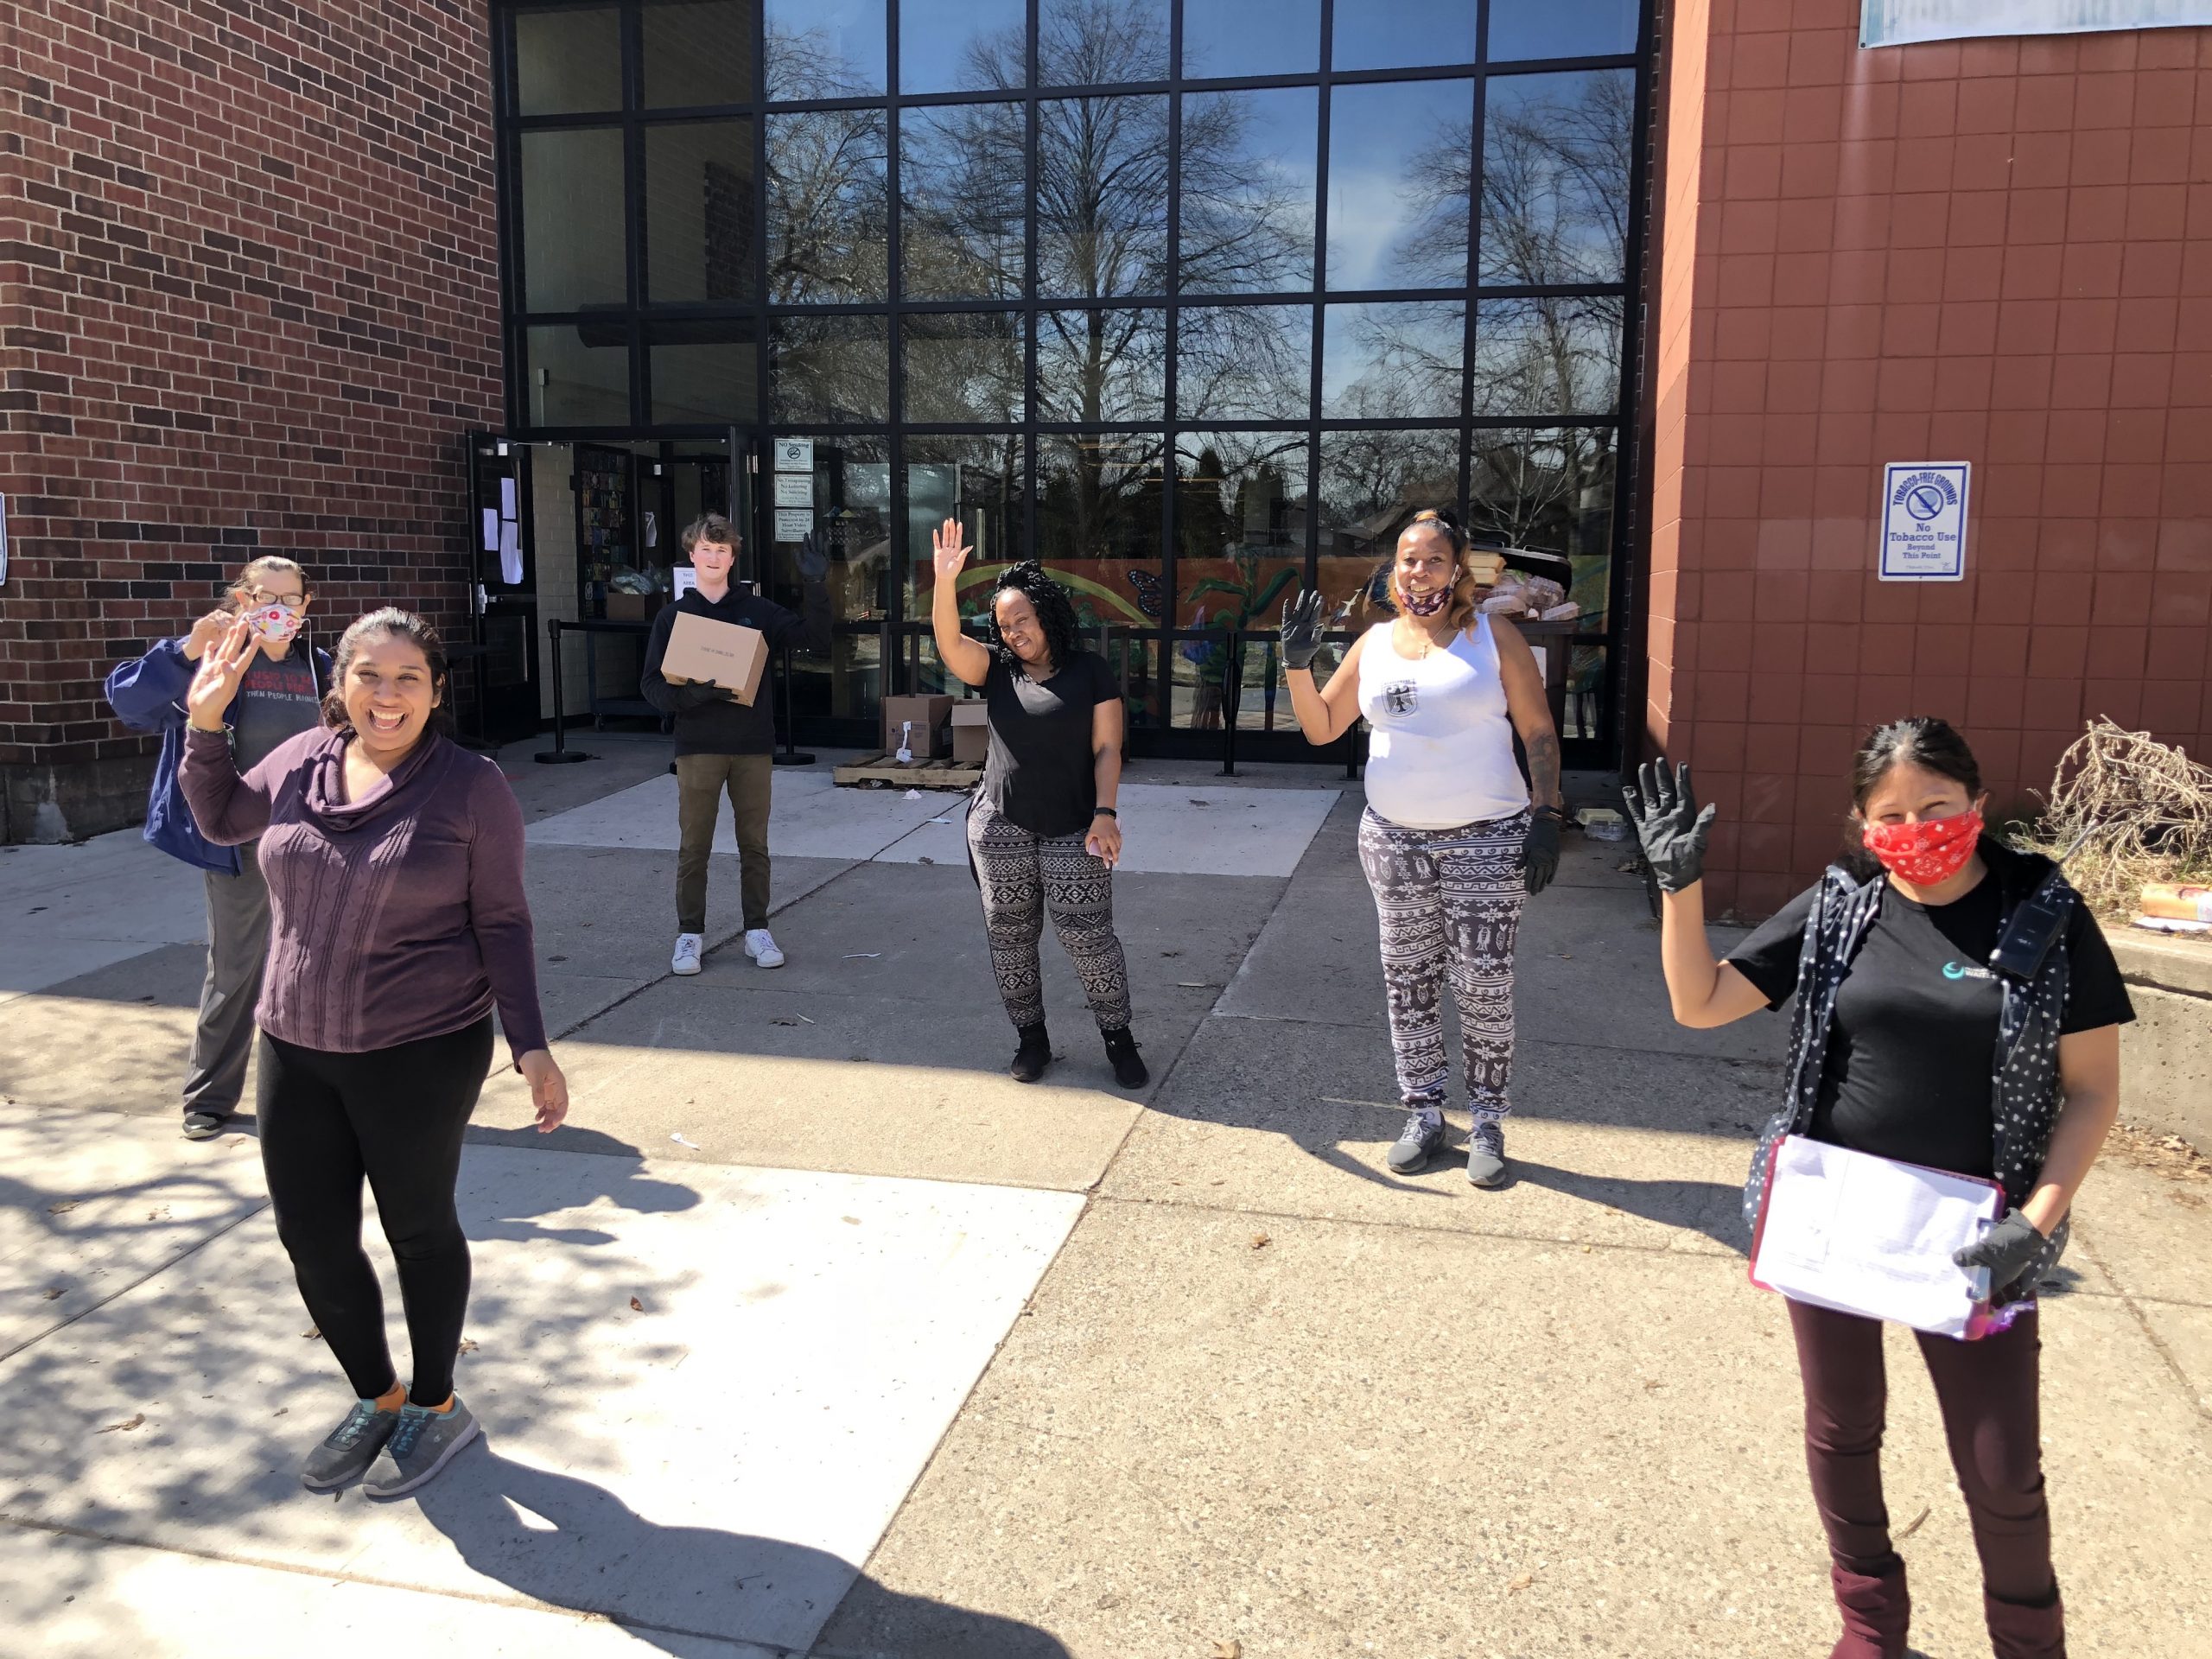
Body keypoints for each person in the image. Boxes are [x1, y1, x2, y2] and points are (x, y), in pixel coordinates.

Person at [1623, 718, 2132, 1659]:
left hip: (1981, 1233)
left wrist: (2036, 1222)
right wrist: (1679, 888)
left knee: (2002, 1469)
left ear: (1976, 805)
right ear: (1861, 825)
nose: (1916, 828)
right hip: (1836, 1213)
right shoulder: (1843, 903)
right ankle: (1870, 1628)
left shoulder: (2045, 916)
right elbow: (1700, 1004)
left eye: (1935, 806)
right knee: (1842, 1430)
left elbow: (2093, 1091)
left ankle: (2028, 1645)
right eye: (1889, 814)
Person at [179, 607, 570, 1499]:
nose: (386, 697)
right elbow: (221, 818)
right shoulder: (299, 762)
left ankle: (437, 1408)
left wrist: (531, 1046)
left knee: (417, 1230)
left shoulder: (472, 788)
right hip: (294, 1040)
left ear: (436, 693)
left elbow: (502, 920)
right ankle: (377, 1394)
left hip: (420, 1046)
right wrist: (205, 723)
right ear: (340, 683)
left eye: (407, 680)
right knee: (310, 1236)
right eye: (369, 676)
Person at [1278, 507, 1563, 1185]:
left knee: (1485, 983)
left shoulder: (1493, 637)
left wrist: (1548, 813)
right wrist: (1296, 665)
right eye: (1407, 558)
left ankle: (1489, 1119)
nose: (1418, 569)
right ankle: (1425, 1112)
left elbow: (1540, 733)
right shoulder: (1373, 644)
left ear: (1457, 569)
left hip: (1486, 840)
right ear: (1393, 568)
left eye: (1433, 558)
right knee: (1408, 980)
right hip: (1394, 840)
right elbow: (1321, 727)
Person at [105, 556, 334, 1140]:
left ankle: (322, 1092)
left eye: (290, 599)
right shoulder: (214, 659)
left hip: (315, 838)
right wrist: (185, 651)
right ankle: (209, 1097)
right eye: (264, 597)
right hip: (239, 839)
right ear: (239, 599)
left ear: (307, 608)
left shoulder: (322, 667)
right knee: (236, 968)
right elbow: (129, 704)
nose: (277, 610)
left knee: (322, 968)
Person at [928, 522, 1147, 1089]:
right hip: (1001, 825)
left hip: (1075, 825)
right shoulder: (996, 671)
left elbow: (1107, 748)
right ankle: (1032, 1040)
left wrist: (1106, 813)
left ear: (1046, 612)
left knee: (1089, 938)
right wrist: (944, 582)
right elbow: (950, 644)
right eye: (1004, 624)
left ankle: (1118, 1040)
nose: (1014, 631)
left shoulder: (1090, 671)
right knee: (1010, 936)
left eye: (1022, 618)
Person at [640, 513, 830, 977]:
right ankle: (690, 934)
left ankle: (757, 930)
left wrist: (818, 584)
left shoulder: (758, 611)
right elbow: (650, 684)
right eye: (705, 549)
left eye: (721, 550)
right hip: (698, 744)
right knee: (695, 846)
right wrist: (689, 697)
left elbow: (814, 638)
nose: (713, 557)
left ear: (732, 557)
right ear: (692, 554)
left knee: (754, 845)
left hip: (751, 744)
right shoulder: (673, 616)